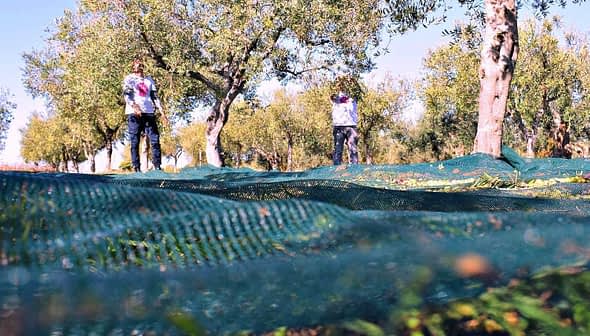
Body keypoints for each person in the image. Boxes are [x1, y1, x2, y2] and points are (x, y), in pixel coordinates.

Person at [122, 58, 168, 172]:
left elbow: (154, 97)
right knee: (135, 141)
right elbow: (127, 95)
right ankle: (136, 167)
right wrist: (134, 106)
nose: (139, 66)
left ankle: (157, 165)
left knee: (155, 139)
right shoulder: (129, 79)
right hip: (134, 114)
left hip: (149, 112)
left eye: (141, 64)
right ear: (133, 67)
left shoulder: (149, 80)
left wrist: (162, 112)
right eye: (137, 65)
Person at [330, 85, 359, 165]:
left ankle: (354, 170)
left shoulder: (354, 96)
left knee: (353, 149)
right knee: (338, 149)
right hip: (338, 126)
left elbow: (355, 97)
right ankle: (336, 170)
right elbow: (333, 97)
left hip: (351, 125)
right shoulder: (335, 97)